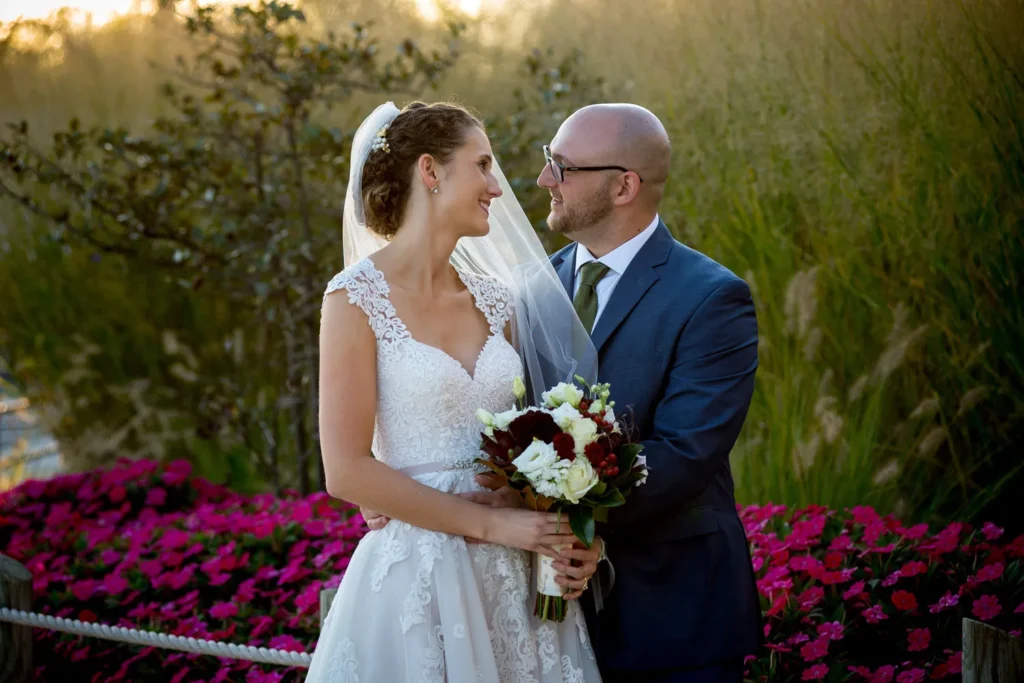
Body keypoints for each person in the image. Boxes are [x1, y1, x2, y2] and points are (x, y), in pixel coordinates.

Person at [366, 103, 763, 683]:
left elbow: (685, 454)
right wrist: (399, 483)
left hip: (672, 609)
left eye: (563, 167)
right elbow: (483, 408)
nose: (542, 179)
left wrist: (555, 519)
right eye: (548, 161)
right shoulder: (524, 290)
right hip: (538, 619)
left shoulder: (711, 298)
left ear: (624, 185)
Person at [306, 101, 602, 683]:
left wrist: (559, 529)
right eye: (483, 165)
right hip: (421, 572)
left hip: (517, 574)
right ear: (430, 171)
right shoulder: (354, 300)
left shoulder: (498, 301)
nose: (497, 187)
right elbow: (345, 471)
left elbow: (535, 446)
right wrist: (495, 526)